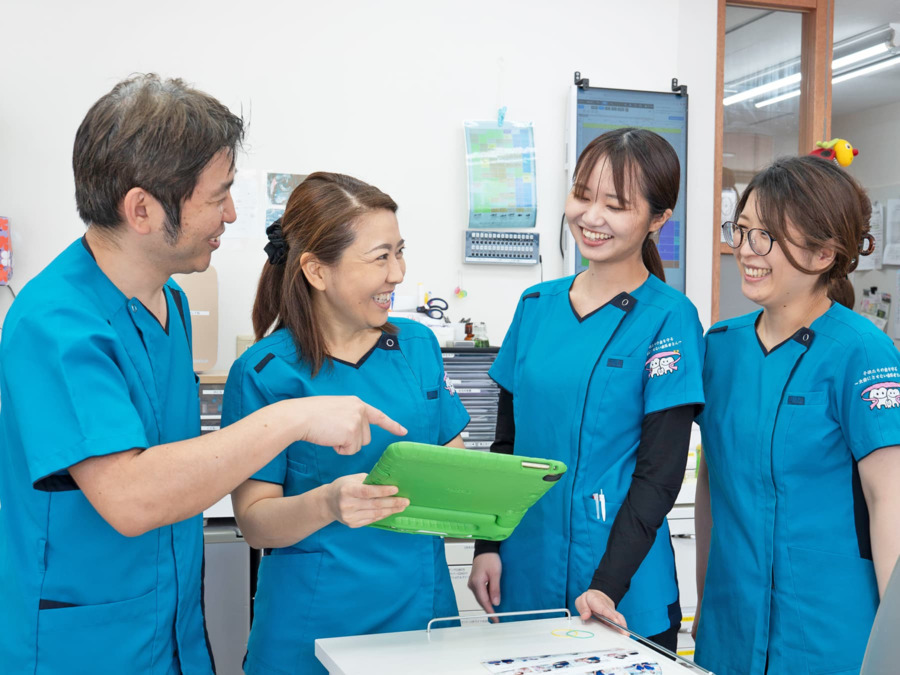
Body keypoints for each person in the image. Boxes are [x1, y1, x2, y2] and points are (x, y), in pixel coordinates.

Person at [0, 75, 404, 675]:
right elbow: (131, 498)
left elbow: (177, 463)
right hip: (85, 641)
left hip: (172, 631)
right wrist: (292, 418)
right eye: (218, 197)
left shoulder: (172, 304)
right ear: (142, 209)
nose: (232, 214)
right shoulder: (55, 324)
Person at [222, 172, 470, 675]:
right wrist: (328, 503)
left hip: (422, 616)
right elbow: (255, 523)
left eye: (400, 252)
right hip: (312, 627)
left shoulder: (417, 347)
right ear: (317, 271)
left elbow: (455, 473)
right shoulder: (266, 372)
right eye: (380, 258)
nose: (397, 273)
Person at [467, 128, 705, 651]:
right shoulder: (536, 305)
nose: (591, 217)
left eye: (616, 205)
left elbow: (660, 474)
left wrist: (606, 585)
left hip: (622, 588)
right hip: (525, 569)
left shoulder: (670, 318)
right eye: (582, 195)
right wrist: (487, 545)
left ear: (658, 219)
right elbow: (507, 446)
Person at [694, 155, 900, 674]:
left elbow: (889, 501)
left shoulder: (861, 352)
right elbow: (710, 484)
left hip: (830, 629)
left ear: (824, 252)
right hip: (730, 623)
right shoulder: (719, 347)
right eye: (742, 231)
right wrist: (703, 600)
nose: (746, 249)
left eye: (767, 236)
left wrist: (894, 645)